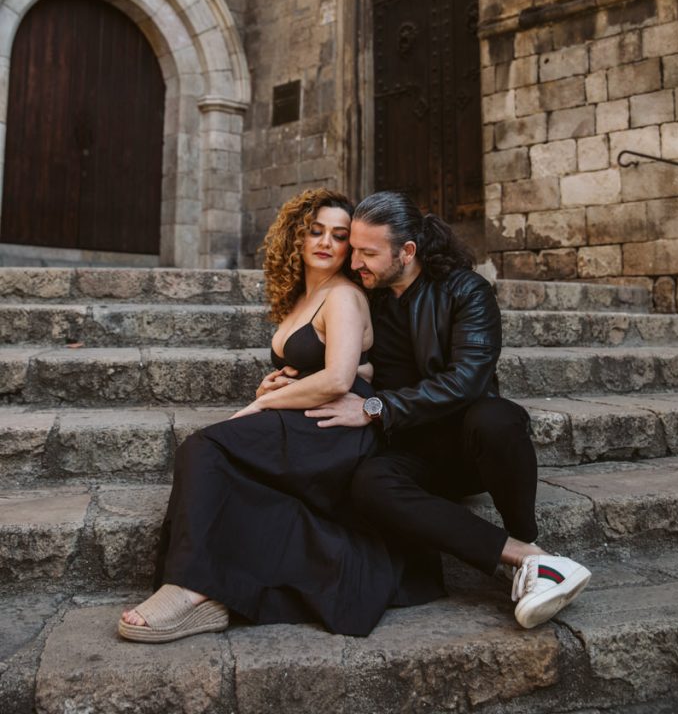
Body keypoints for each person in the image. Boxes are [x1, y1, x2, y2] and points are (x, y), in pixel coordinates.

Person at [118, 188, 441, 643]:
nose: (326, 242)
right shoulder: (303, 299)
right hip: (306, 412)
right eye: (316, 231)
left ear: (352, 246)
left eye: (340, 235)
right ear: (297, 237)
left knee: (203, 449)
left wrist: (263, 403)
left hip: (335, 425)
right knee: (227, 468)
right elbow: (351, 364)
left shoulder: (344, 296)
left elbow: (337, 379)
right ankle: (212, 591)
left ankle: (190, 588)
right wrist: (276, 386)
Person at [305, 191, 591, 630]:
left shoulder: (465, 290)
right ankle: (530, 561)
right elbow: (343, 356)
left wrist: (378, 406)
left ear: (407, 251)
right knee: (368, 484)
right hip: (406, 449)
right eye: (355, 250)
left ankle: (526, 537)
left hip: (465, 444)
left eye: (368, 253)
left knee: (498, 418)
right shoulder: (368, 295)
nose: (355, 261)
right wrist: (293, 376)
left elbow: (467, 380)